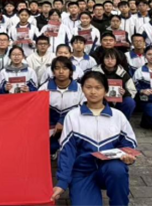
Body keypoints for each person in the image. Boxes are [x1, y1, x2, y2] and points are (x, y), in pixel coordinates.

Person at [51, 71, 137, 206]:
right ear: (82, 89)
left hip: (109, 167)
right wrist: (62, 182)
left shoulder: (118, 116)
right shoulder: (72, 116)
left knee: (117, 170)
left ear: (106, 90)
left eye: (98, 88)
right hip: (82, 172)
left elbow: (128, 144)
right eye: (88, 87)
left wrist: (129, 156)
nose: (93, 92)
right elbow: (67, 152)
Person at [43, 56, 85, 156]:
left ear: (71, 71)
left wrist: (63, 122)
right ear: (53, 72)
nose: (61, 72)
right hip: (51, 128)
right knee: (49, 148)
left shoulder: (81, 89)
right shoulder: (44, 88)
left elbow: (83, 110)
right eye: (57, 68)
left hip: (74, 126)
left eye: (65, 68)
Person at [91, 50, 137, 120]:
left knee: (129, 102)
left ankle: (123, 122)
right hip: (101, 100)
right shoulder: (95, 72)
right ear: (103, 59)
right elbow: (88, 88)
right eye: (107, 58)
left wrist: (125, 92)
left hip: (118, 102)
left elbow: (133, 90)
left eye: (112, 58)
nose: (109, 61)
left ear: (117, 60)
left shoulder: (123, 73)